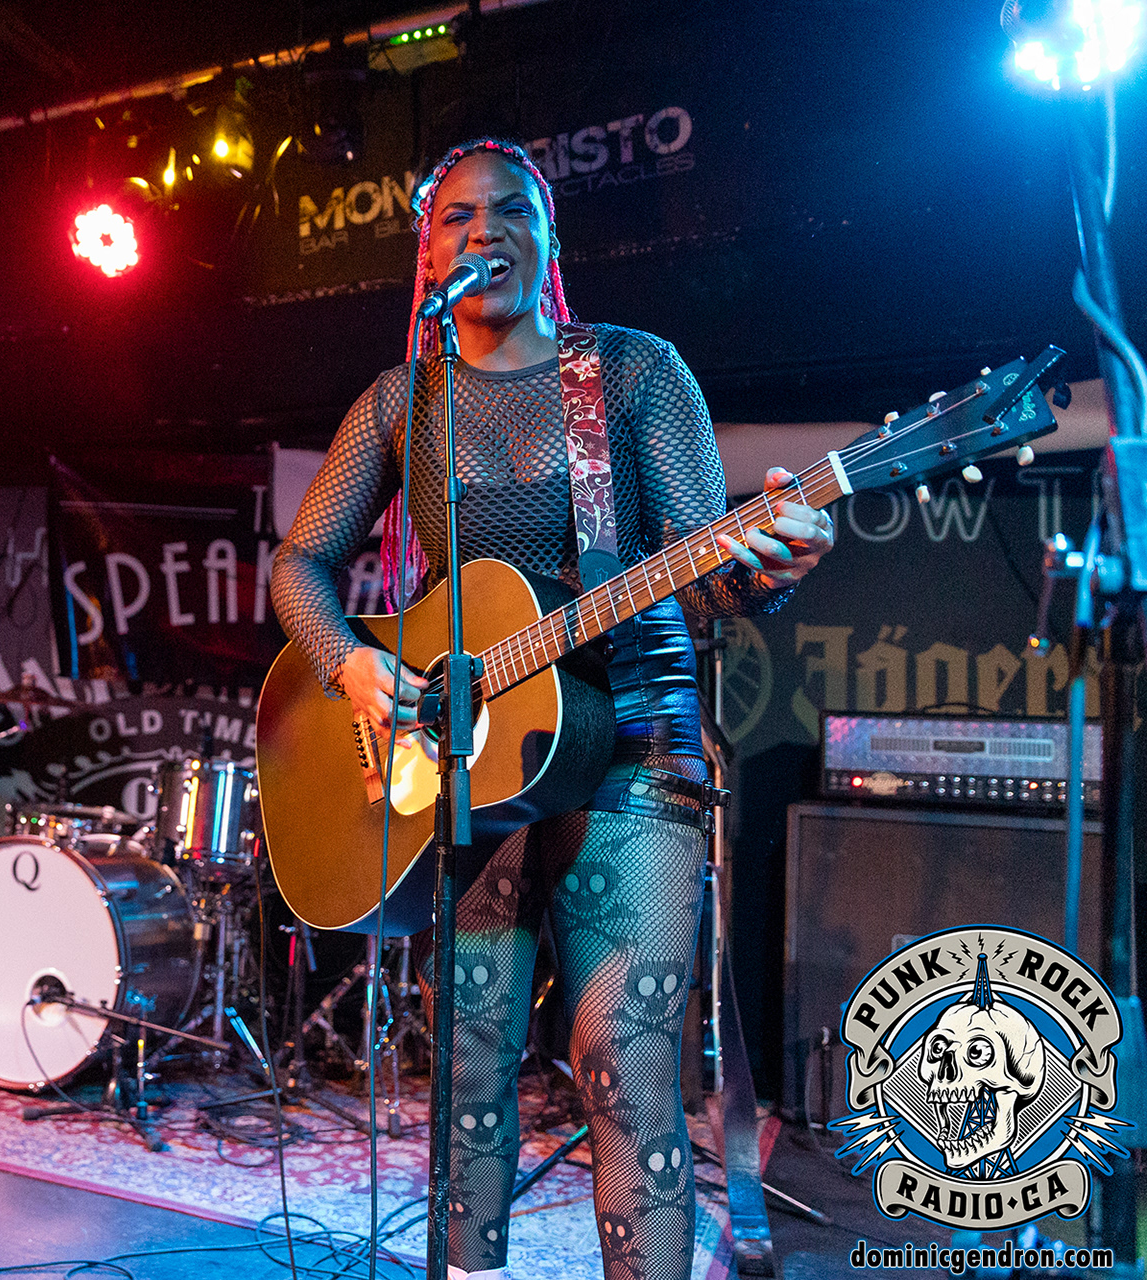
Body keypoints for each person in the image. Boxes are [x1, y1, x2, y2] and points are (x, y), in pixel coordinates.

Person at [270, 139, 834, 1280]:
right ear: (429, 257)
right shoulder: (404, 400)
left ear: (550, 238)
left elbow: (704, 573)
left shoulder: (632, 372)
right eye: (460, 217)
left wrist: (767, 569)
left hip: (634, 739)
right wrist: (351, 664)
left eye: (514, 211)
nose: (488, 231)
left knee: (622, 1063)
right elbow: (300, 564)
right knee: (469, 1056)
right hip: (474, 761)